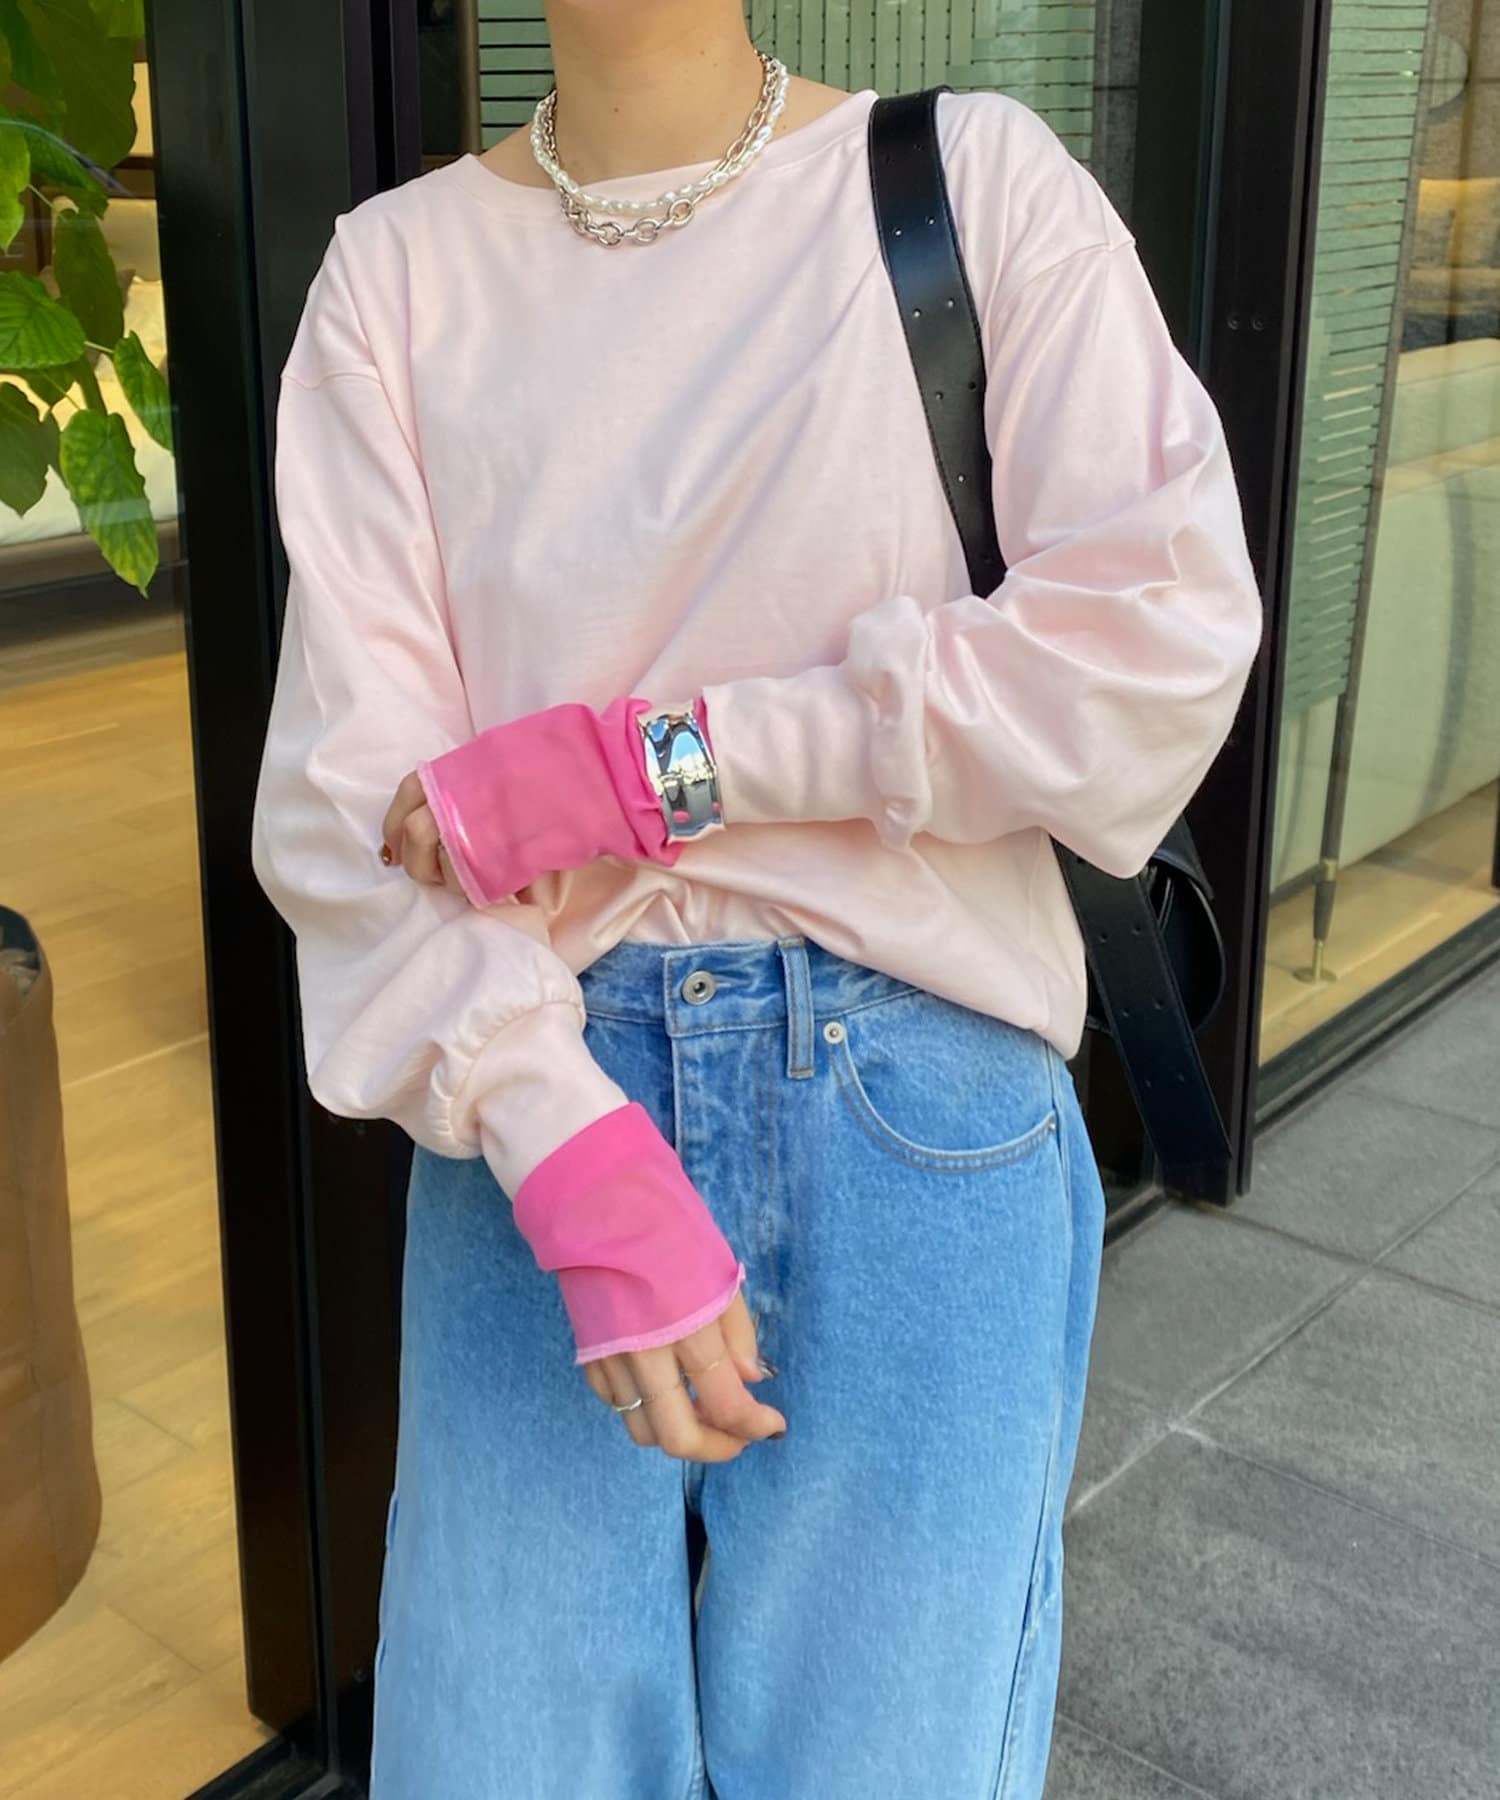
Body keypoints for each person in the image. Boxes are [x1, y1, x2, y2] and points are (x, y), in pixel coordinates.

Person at [249, 3, 1263, 1795]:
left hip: (916, 1111)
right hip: (534, 1122)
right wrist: (561, 1133)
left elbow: (1156, 645)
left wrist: (665, 768)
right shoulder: (395, 280)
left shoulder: (965, 186)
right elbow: (354, 809)